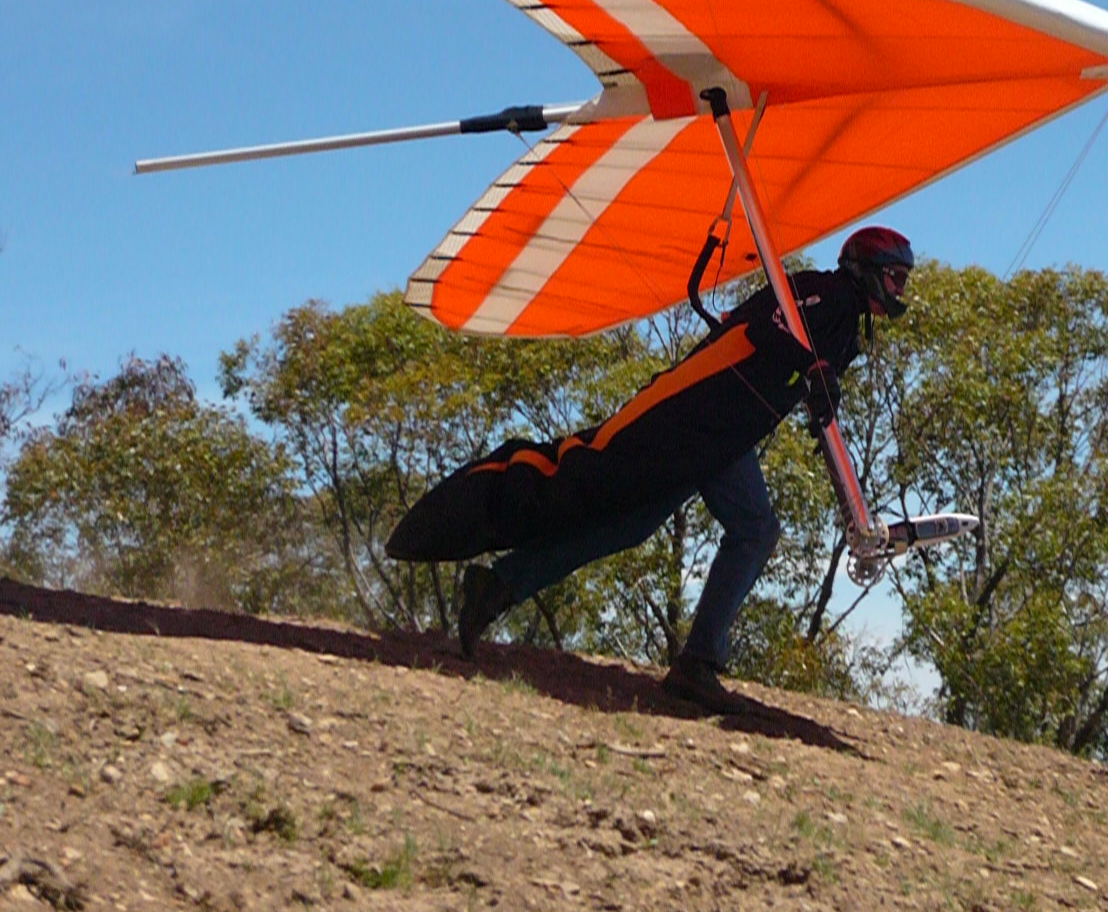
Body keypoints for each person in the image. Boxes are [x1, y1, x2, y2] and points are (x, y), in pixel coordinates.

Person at [386, 226, 914, 713]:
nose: (899, 288)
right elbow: (767, 324)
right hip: (697, 410)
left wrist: (818, 389)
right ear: (866, 269)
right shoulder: (826, 292)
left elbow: (801, 367)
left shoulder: (847, 324)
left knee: (663, 526)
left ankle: (501, 588)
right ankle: (692, 662)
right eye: (894, 276)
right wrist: (811, 367)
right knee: (704, 518)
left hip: (723, 433)